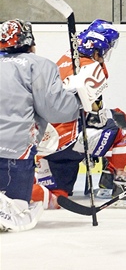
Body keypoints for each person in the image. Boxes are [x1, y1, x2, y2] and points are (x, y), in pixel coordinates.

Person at [30, 19, 126, 209]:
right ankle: (121, 186)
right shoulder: (92, 67)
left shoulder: (62, 60)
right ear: (97, 48)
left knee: (59, 195)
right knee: (124, 127)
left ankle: (105, 179)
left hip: (44, 144)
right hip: (68, 141)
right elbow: (93, 109)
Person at [0, 19, 100, 231]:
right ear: (30, 42)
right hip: (13, 152)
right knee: (16, 211)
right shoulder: (37, 64)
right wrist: (78, 98)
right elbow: (55, 110)